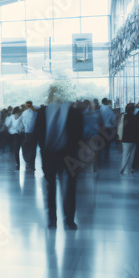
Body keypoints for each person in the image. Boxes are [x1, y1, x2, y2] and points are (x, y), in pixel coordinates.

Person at [34, 81, 84, 229]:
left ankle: (69, 219)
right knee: (50, 189)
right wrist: (42, 152)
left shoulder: (75, 113)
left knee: (70, 189)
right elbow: (39, 134)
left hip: (69, 156)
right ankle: (52, 220)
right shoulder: (42, 112)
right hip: (49, 156)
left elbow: (78, 136)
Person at [81, 99, 103, 177]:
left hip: (85, 135)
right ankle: (94, 169)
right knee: (94, 152)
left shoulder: (83, 114)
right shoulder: (97, 114)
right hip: (95, 135)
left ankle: (85, 168)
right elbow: (100, 124)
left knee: (85, 152)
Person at [119, 103, 137, 175]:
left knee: (125, 154)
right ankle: (130, 168)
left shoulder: (123, 117)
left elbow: (120, 128)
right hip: (134, 139)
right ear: (133, 110)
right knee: (132, 155)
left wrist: (119, 137)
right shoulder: (135, 117)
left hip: (125, 138)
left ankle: (123, 168)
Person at [99, 98, 117, 165]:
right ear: (106, 102)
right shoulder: (110, 110)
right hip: (109, 128)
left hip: (101, 128)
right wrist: (115, 126)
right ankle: (106, 155)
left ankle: (100, 156)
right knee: (107, 143)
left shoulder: (99, 110)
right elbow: (113, 119)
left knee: (100, 142)